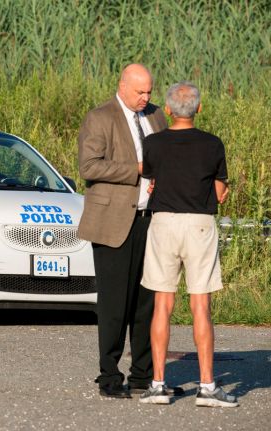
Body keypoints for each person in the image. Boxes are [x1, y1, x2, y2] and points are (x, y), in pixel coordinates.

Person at [77, 63, 176, 399]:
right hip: (113, 222)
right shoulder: (100, 117)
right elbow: (89, 166)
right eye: (140, 92)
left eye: (149, 91)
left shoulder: (156, 116)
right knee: (115, 304)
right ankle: (109, 376)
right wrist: (136, 170)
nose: (145, 98)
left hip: (152, 218)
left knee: (147, 302)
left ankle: (142, 375)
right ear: (122, 85)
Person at [138, 82, 237, 407]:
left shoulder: (153, 143)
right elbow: (220, 190)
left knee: (162, 304)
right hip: (199, 226)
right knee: (200, 306)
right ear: (199, 108)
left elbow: (147, 174)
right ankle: (207, 387)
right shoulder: (212, 144)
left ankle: (157, 384)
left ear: (167, 110)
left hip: (163, 222)